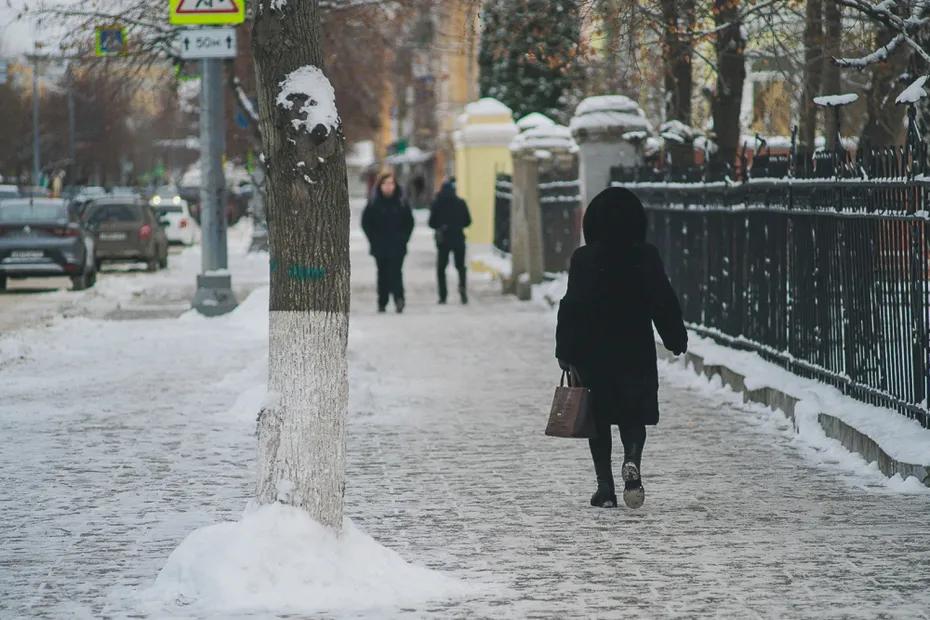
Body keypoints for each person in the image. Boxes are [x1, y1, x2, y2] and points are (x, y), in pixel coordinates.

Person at [555, 187, 687, 509]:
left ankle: (605, 489)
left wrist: (565, 350)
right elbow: (663, 300)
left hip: (592, 351)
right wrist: (675, 337)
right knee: (632, 414)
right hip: (634, 348)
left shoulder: (584, 259)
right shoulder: (645, 256)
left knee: (597, 421)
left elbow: (571, 306)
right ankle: (632, 459)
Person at [362, 172, 414, 313]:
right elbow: (366, 223)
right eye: (385, 183)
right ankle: (382, 301)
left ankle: (399, 300)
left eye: (391, 183)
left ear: (395, 185)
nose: (388, 186)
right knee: (382, 273)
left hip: (398, 245)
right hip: (380, 246)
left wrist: (404, 238)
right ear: (380, 186)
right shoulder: (374, 202)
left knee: (396, 272)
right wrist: (373, 239)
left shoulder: (401, 202)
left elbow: (409, 222)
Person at [428, 178, 472, 304]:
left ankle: (443, 295)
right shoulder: (460, 203)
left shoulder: (437, 203)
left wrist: (441, 226)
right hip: (458, 238)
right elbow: (468, 221)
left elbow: (431, 223)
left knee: (441, 268)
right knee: (460, 266)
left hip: (443, 239)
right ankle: (462, 287)